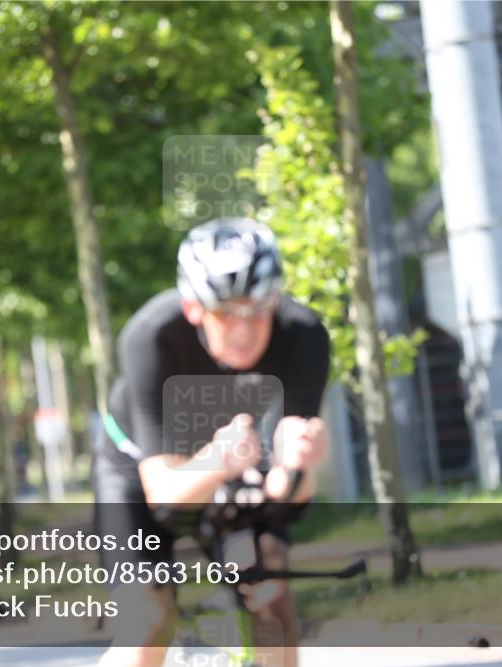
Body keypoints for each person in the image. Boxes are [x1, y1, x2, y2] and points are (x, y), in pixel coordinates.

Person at [93, 218, 331, 667]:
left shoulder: (304, 337)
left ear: (276, 298)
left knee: (272, 600)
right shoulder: (151, 336)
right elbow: (163, 493)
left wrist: (305, 466)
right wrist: (218, 461)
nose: (243, 330)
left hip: (236, 464)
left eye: (257, 310)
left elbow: (286, 496)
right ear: (193, 308)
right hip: (141, 471)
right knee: (148, 620)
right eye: (224, 313)